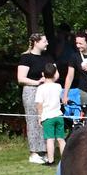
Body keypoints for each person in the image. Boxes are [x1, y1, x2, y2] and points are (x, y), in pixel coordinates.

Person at [17, 33, 52, 164]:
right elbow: (21, 79)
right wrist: (37, 82)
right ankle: (34, 152)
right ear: (36, 42)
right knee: (33, 120)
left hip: (45, 91)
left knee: (45, 120)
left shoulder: (47, 57)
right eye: (44, 41)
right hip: (31, 91)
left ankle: (45, 150)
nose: (47, 43)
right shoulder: (26, 58)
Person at [36, 62, 64, 163]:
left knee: (50, 139)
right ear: (54, 74)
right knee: (61, 139)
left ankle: (51, 160)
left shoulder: (40, 88)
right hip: (59, 115)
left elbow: (39, 104)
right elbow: (55, 77)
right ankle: (65, 161)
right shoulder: (58, 86)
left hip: (47, 117)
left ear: (43, 74)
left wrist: (39, 117)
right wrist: (55, 68)